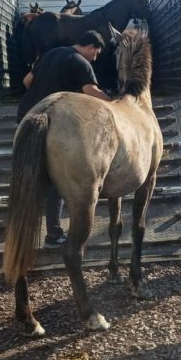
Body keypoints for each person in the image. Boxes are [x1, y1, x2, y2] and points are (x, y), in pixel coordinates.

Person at [16, 30, 112, 245]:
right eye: (96, 53)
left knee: (28, 177)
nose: (95, 58)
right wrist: (114, 102)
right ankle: (53, 233)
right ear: (91, 46)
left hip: (26, 117)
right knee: (54, 183)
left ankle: (23, 235)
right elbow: (91, 91)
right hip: (51, 123)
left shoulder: (51, 54)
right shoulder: (81, 63)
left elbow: (26, 81)